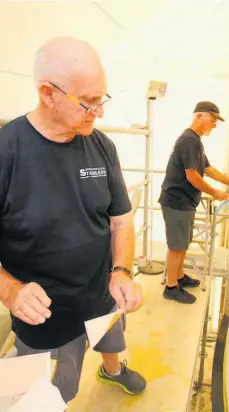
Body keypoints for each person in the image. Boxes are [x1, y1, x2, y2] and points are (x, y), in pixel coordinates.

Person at [0, 37, 146, 404]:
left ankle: (112, 369)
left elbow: (121, 223)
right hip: (44, 316)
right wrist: (11, 291)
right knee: (44, 398)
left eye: (102, 99)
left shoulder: (101, 146)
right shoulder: (7, 151)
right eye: (89, 102)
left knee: (111, 335)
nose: (99, 112)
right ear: (48, 93)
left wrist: (122, 270)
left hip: (102, 294)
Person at [158, 101, 229, 304]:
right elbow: (192, 176)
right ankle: (171, 288)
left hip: (185, 201)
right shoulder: (189, 140)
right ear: (199, 116)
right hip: (176, 200)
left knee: (183, 242)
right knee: (177, 246)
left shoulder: (195, 140)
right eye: (212, 119)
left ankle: (179, 277)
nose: (214, 124)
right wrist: (215, 193)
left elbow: (208, 168)